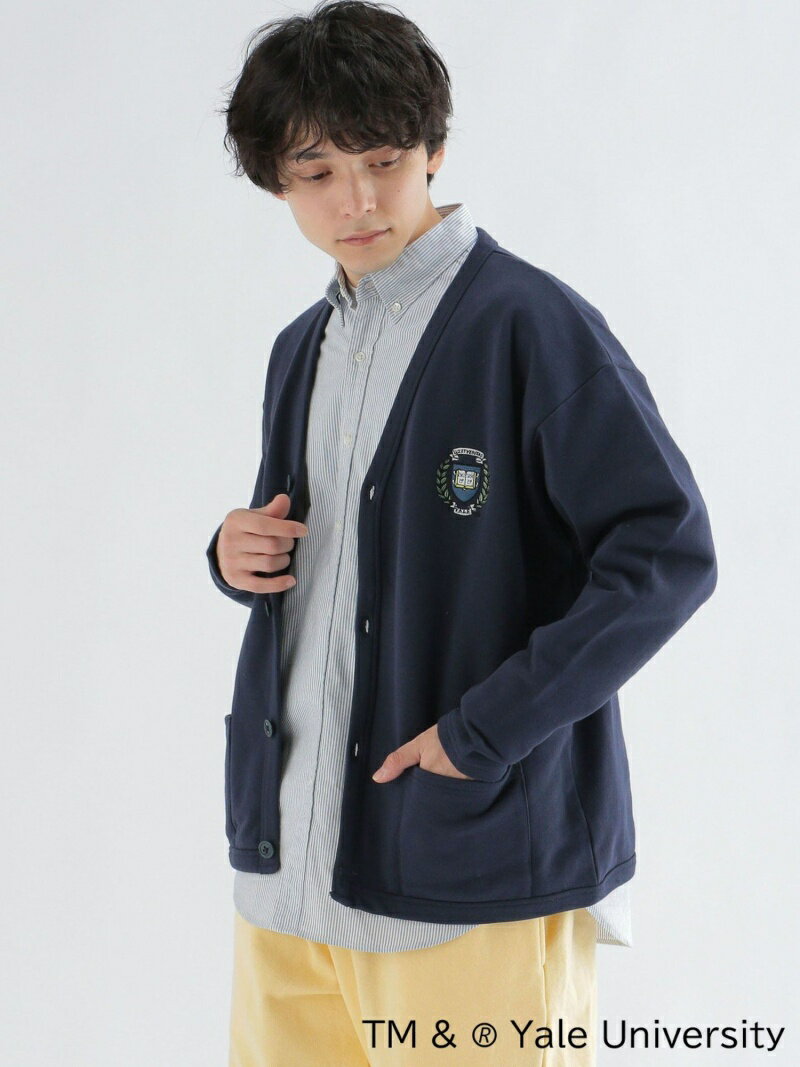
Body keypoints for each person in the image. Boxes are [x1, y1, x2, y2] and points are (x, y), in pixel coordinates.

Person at [206, 2, 718, 1063]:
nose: (355, 200)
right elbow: (325, 558)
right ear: (275, 183)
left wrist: (483, 730)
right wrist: (232, 553)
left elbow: (664, 552)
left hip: (462, 872)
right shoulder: (301, 346)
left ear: (432, 149)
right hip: (289, 872)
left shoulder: (528, 323)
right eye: (316, 172)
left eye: (383, 161)